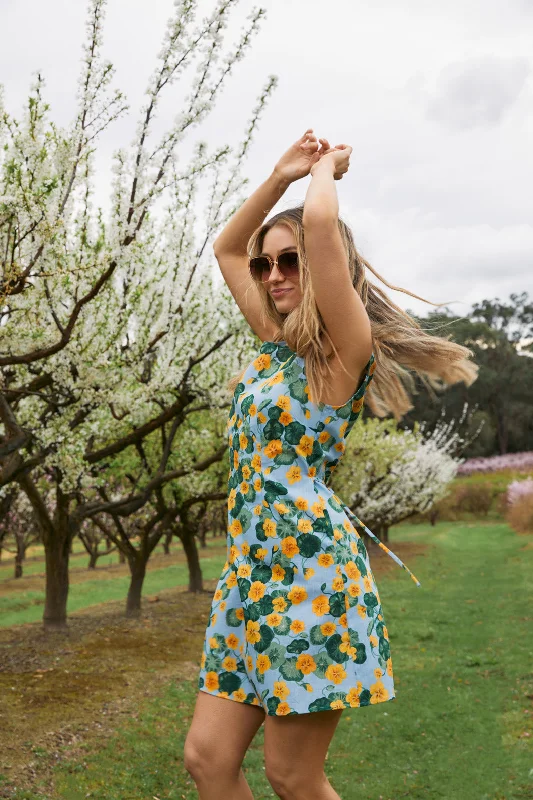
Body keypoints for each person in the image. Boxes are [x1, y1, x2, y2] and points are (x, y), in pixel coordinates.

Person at [184, 129, 478, 800]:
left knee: (292, 776)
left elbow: (319, 221)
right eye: (268, 266)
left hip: (312, 583)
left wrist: (324, 172)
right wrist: (278, 174)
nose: (273, 274)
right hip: (250, 580)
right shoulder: (272, 345)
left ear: (323, 266)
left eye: (289, 260)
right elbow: (228, 247)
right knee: (207, 759)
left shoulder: (343, 351)